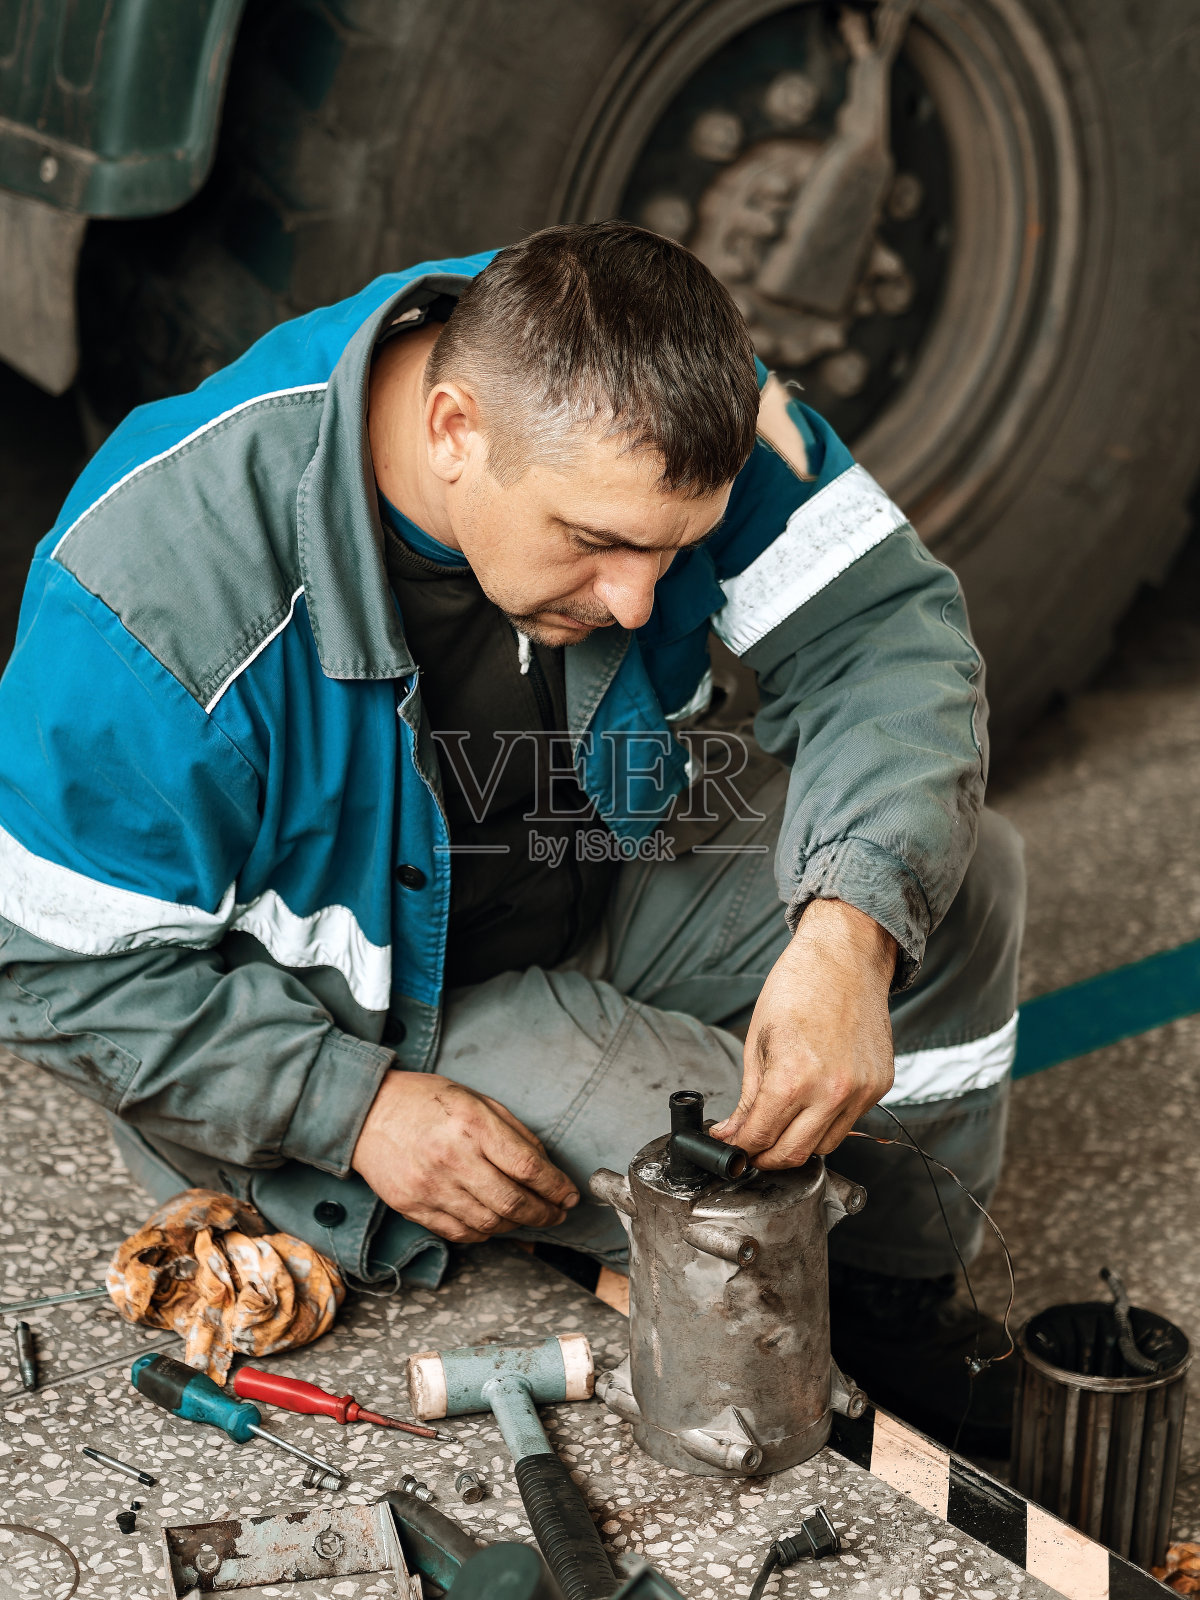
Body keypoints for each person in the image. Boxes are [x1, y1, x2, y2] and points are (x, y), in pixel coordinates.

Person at [0, 223, 1023, 1450]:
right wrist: (354, 1110)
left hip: (588, 877)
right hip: (371, 1024)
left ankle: (901, 1307)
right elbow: (50, 965)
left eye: (675, 550)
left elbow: (886, 638)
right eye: (596, 544)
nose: (639, 600)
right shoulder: (151, 597)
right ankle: (815, 1377)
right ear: (453, 432)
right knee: (726, 1191)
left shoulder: (666, 395)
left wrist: (847, 934)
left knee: (953, 885)